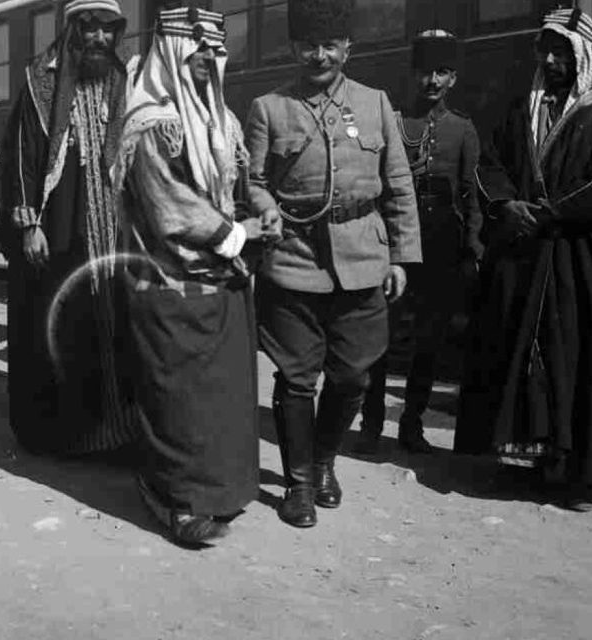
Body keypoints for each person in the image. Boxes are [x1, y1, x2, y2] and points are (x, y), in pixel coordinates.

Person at [453, 8, 592, 512]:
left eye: (561, 51)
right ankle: (523, 464)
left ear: (582, 56)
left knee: (581, 358)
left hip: (578, 259)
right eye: (544, 49)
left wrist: (556, 212)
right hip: (524, 254)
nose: (549, 59)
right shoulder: (521, 108)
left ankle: (583, 478)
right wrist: (506, 205)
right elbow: (491, 163)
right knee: (512, 348)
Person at [246, 0, 421, 528]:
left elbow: (399, 184)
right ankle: (300, 483)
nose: (318, 55)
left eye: (330, 45)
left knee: (353, 377)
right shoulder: (269, 108)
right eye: (307, 45)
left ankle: (325, 461)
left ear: (348, 49)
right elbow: (252, 181)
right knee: (298, 378)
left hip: (364, 259)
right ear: (293, 48)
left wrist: (401, 256)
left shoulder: (375, 103)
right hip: (295, 260)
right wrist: (267, 209)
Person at [113, 6, 266, 545]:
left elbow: (232, 187)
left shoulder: (219, 118)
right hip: (168, 282)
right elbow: (167, 205)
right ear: (171, 50)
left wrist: (257, 208)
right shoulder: (152, 122)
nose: (206, 59)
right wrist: (235, 234)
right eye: (194, 48)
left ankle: (222, 490)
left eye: (214, 50)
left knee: (217, 400)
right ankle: (178, 502)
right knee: (177, 401)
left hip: (220, 282)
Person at [0, 0, 140, 456]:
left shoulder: (123, 80)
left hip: (113, 226)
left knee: (116, 322)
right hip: (59, 225)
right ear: (73, 29)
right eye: (90, 28)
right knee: (65, 322)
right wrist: (28, 224)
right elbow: (21, 157)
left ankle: (115, 431)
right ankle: (68, 436)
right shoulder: (39, 81)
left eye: (107, 29)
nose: (99, 38)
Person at [359, 29, 483, 455]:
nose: (432, 81)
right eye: (426, 72)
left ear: (453, 79)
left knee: (429, 342)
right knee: (380, 338)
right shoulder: (392, 120)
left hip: (441, 249)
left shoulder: (463, 130)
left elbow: (471, 196)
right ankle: (371, 423)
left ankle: (411, 425)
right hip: (394, 247)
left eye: (442, 72)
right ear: (413, 74)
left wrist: (472, 250)